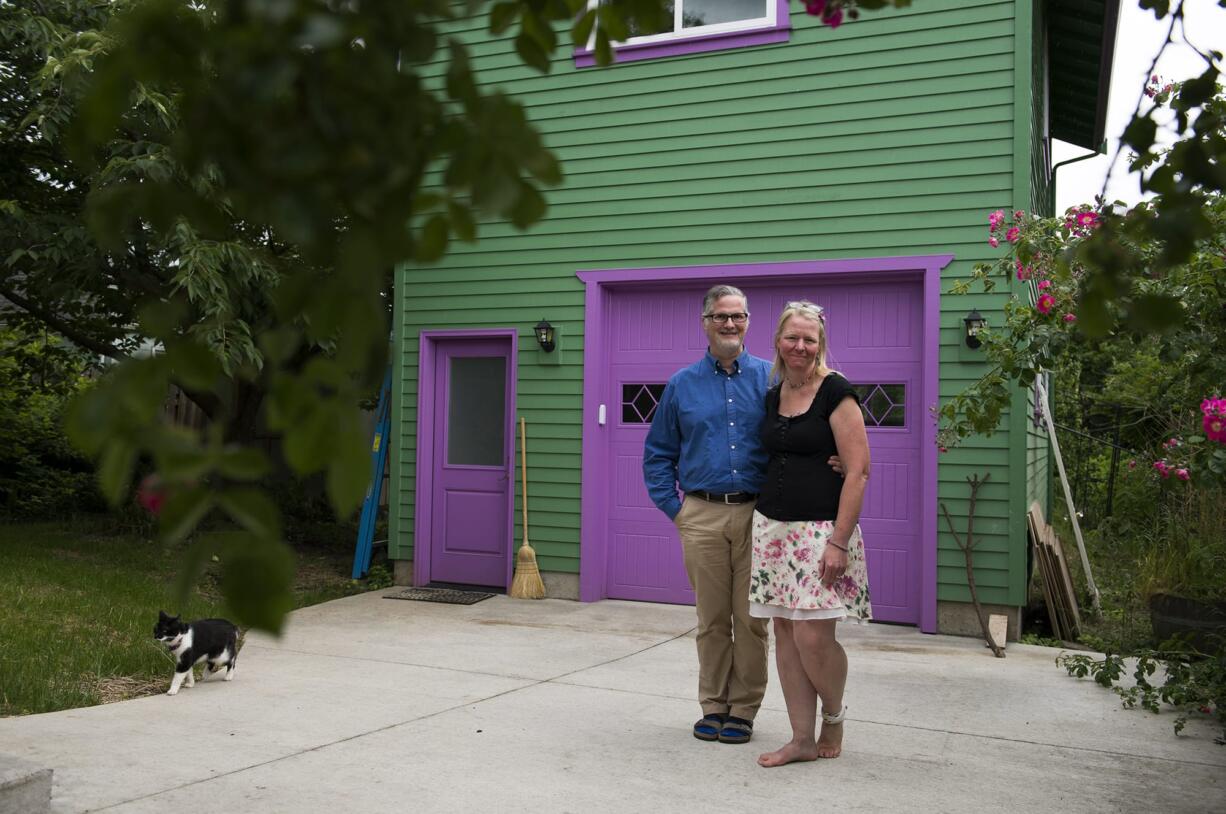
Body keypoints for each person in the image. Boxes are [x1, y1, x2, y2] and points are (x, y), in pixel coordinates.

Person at [642, 284, 771, 745]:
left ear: (748, 321)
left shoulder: (771, 379)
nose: (730, 324)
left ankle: (744, 707)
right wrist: (677, 510)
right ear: (706, 323)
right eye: (721, 317)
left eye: (737, 316)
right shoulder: (681, 385)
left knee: (752, 619)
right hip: (701, 514)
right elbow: (657, 454)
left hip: (760, 514)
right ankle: (713, 705)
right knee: (712, 619)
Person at [750, 300, 872, 767]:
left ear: (820, 345)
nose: (800, 346)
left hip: (821, 532)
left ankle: (834, 715)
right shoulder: (773, 393)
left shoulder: (835, 392)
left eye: (809, 339)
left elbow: (858, 471)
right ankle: (800, 738)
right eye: (792, 338)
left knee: (813, 638)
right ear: (778, 341)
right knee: (784, 630)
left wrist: (839, 541)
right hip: (773, 530)